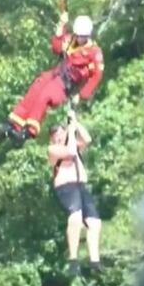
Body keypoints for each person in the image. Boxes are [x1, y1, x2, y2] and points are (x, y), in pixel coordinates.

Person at [0, 12, 105, 145]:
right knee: (36, 88)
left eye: (83, 36)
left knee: (45, 95)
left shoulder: (94, 53)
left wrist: (82, 95)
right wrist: (61, 26)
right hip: (56, 74)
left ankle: (29, 131)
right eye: (79, 35)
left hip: (66, 84)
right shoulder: (70, 41)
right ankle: (13, 124)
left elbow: (96, 76)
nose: (80, 38)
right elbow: (56, 47)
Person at [47, 110, 103, 276]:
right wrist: (70, 132)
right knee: (76, 218)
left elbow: (87, 139)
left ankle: (95, 260)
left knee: (95, 223)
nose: (58, 137)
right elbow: (70, 153)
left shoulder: (73, 142)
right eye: (55, 135)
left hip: (81, 186)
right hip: (66, 187)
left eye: (60, 133)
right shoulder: (53, 149)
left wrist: (75, 123)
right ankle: (73, 259)